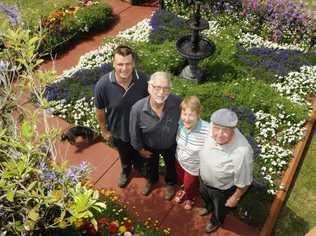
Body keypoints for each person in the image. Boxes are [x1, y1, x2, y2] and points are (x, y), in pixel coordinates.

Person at [95, 45, 148, 188]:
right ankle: (126, 171)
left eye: (128, 64)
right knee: (124, 155)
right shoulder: (103, 84)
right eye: (120, 64)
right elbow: (99, 109)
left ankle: (139, 167)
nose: (124, 68)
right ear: (113, 64)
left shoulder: (143, 80)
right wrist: (104, 130)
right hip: (118, 131)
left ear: (133, 64)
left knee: (139, 154)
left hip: (139, 130)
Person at [198, 108, 253, 233]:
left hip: (221, 190)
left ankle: (216, 220)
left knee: (220, 209)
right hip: (204, 181)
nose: (219, 134)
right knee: (205, 196)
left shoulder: (242, 152)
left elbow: (244, 181)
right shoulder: (212, 127)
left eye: (226, 130)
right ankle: (208, 206)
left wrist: (236, 197)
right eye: (216, 128)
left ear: (233, 130)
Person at [129, 71, 181, 200]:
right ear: (149, 87)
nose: (161, 92)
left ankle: (170, 183)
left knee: (170, 165)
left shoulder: (178, 103)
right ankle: (152, 180)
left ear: (170, 90)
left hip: (170, 145)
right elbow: (133, 132)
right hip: (149, 146)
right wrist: (140, 149)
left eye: (166, 88)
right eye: (157, 87)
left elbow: (187, 121)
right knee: (151, 165)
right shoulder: (137, 109)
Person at [174, 96, 209, 210]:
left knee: (190, 184)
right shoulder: (180, 123)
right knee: (182, 180)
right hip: (179, 160)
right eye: (184, 114)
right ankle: (185, 190)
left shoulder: (207, 130)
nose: (186, 119)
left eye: (191, 115)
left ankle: (190, 197)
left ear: (198, 115)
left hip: (193, 166)